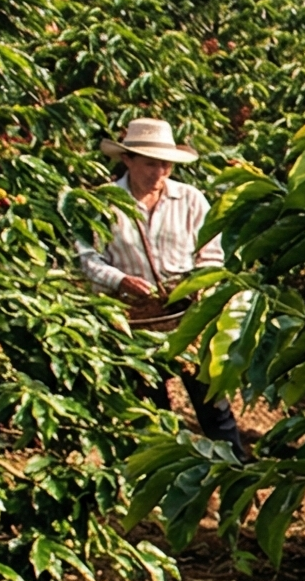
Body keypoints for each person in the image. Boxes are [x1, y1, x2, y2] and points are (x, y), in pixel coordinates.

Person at [76, 118, 239, 447]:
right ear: (127, 160)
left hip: (186, 319)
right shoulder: (102, 203)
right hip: (133, 322)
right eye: (151, 165)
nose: (160, 173)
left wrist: (200, 285)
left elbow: (210, 251)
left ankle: (236, 476)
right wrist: (121, 281)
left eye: (166, 165)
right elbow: (87, 257)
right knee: (149, 407)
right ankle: (165, 476)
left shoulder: (190, 199)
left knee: (213, 404)